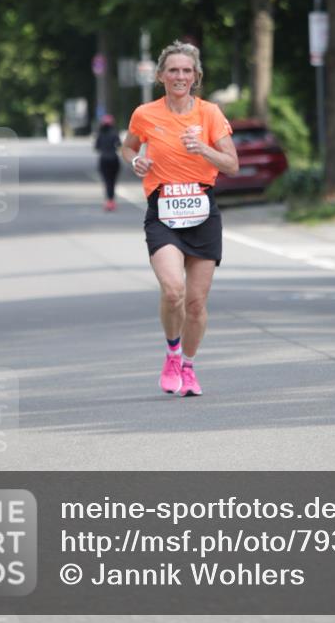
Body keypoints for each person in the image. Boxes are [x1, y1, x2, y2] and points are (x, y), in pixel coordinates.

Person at [122, 41, 239, 397]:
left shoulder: (209, 115)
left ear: (196, 77)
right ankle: (172, 353)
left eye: (187, 70)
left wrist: (203, 148)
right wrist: (134, 161)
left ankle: (188, 366)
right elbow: (128, 146)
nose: (180, 76)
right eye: (173, 70)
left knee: (196, 303)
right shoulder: (145, 114)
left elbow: (232, 164)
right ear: (161, 76)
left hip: (203, 212)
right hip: (163, 211)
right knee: (173, 291)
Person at [95, 114, 121, 211]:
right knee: (113, 181)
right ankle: (112, 200)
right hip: (114, 159)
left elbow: (96, 147)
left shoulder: (100, 134)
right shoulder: (115, 133)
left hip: (104, 160)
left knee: (107, 181)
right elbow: (119, 145)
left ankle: (109, 201)